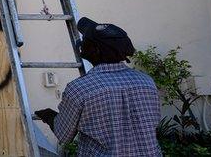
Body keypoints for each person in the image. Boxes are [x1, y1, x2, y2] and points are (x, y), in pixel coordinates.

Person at [34, 17, 161, 156]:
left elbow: (63, 134)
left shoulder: (81, 89)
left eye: (86, 40)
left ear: (95, 50)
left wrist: (48, 115)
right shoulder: (147, 83)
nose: (81, 43)